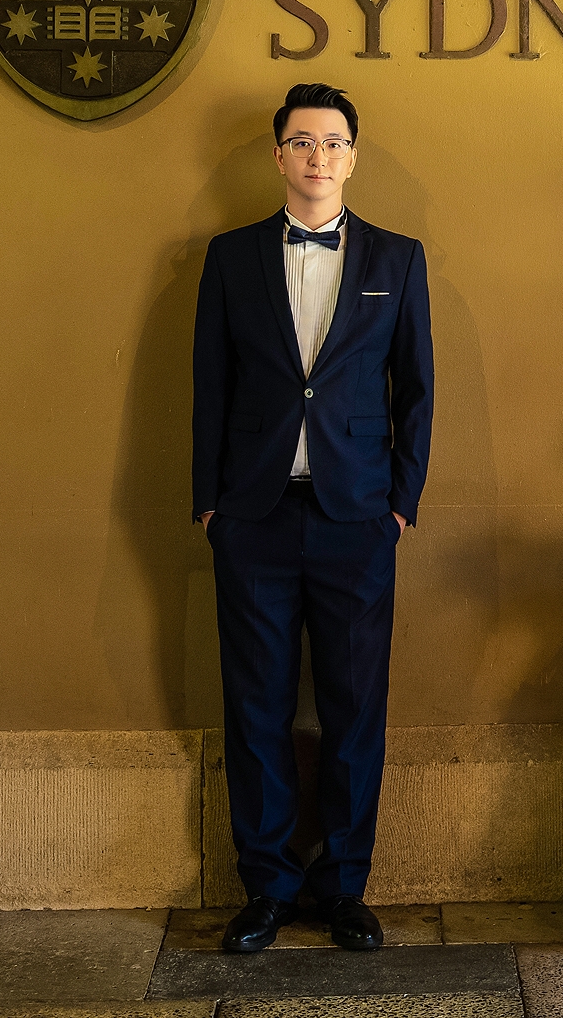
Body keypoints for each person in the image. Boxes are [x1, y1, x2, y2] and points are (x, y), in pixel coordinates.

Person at [191, 82, 434, 953]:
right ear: (279, 155)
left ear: (352, 157)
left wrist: (400, 504)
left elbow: (417, 389)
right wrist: (210, 503)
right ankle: (266, 885)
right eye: (302, 141)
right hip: (252, 516)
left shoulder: (398, 259)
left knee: (353, 707)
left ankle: (343, 885)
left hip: (358, 518)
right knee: (255, 703)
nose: (318, 155)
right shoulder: (231, 256)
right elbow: (209, 384)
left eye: (333, 142)